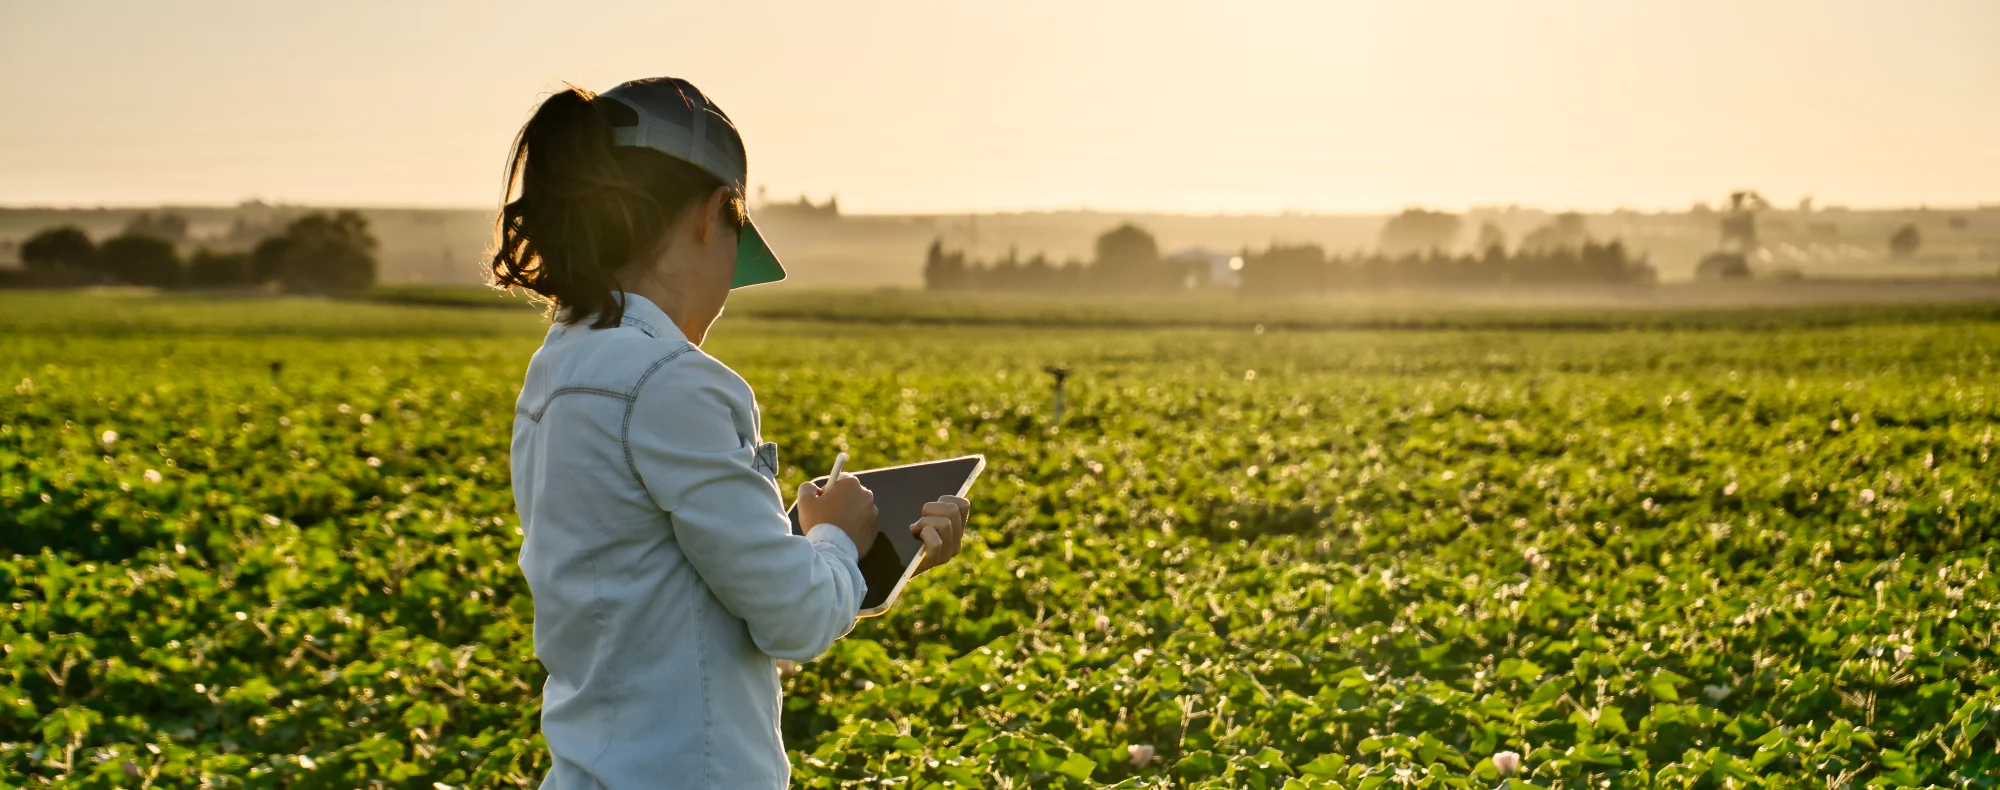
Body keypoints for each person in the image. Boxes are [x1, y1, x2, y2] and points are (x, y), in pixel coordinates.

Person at [490, 77, 970, 790]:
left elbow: (669, 586)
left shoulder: (556, 371)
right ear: (713, 217)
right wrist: (835, 536)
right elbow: (795, 619)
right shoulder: (676, 381)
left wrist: (864, 560)